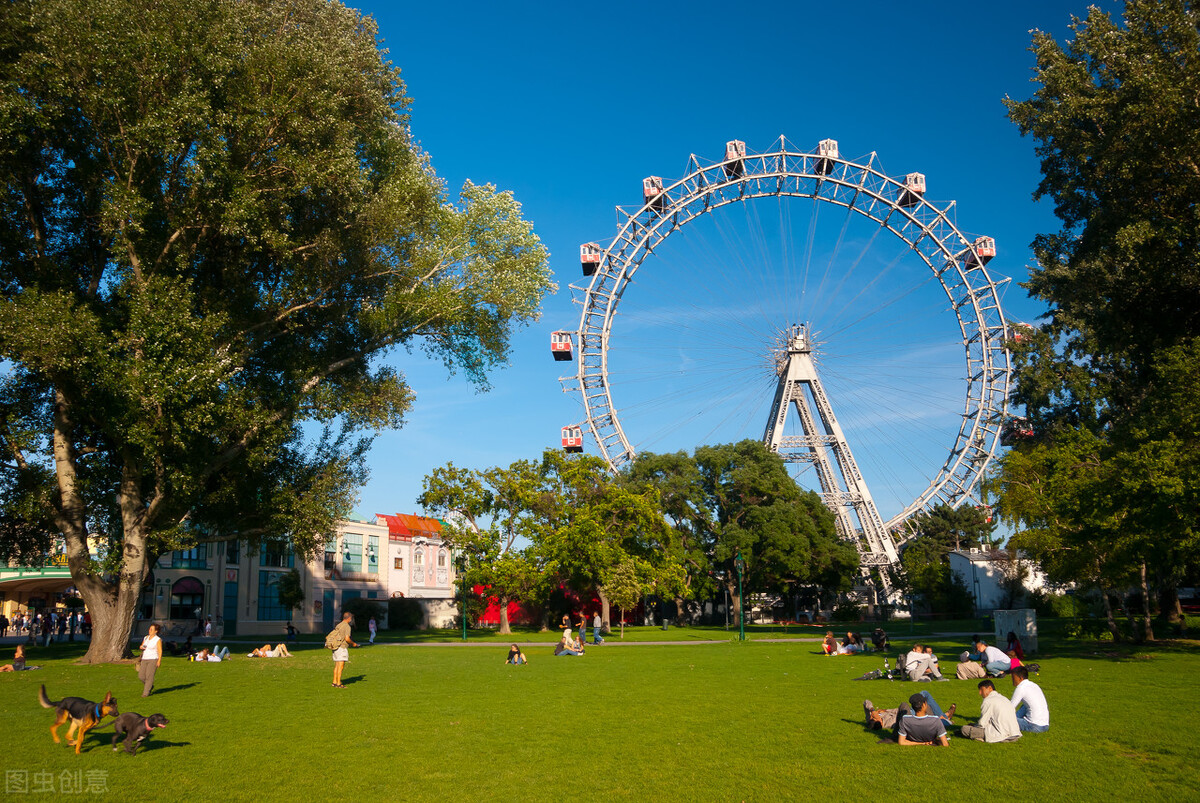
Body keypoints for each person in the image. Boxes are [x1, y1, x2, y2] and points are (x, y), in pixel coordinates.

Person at [1010, 666, 1050, 732]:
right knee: (1024, 706)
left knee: (1006, 719)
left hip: (1034, 726)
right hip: (1045, 726)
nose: (1012, 680)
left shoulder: (1021, 688)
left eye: (1013, 677)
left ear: (1020, 678)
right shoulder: (1034, 685)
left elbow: (1010, 707)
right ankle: (1016, 718)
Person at [330, 611, 358, 688]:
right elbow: (347, 638)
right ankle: (339, 683)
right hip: (341, 647)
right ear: (349, 618)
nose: (351, 620)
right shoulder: (347, 626)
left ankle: (334, 682)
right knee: (341, 666)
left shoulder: (339, 625)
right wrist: (353, 644)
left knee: (336, 665)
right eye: (351, 618)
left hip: (335, 647)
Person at [138, 623, 163, 697]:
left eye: (151, 629)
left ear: (156, 631)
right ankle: (149, 686)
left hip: (153, 659)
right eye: (149, 629)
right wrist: (141, 647)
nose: (149, 630)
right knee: (141, 676)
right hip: (144, 659)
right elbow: (141, 646)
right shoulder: (146, 637)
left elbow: (160, 651)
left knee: (149, 676)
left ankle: (146, 693)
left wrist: (159, 660)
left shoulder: (157, 639)